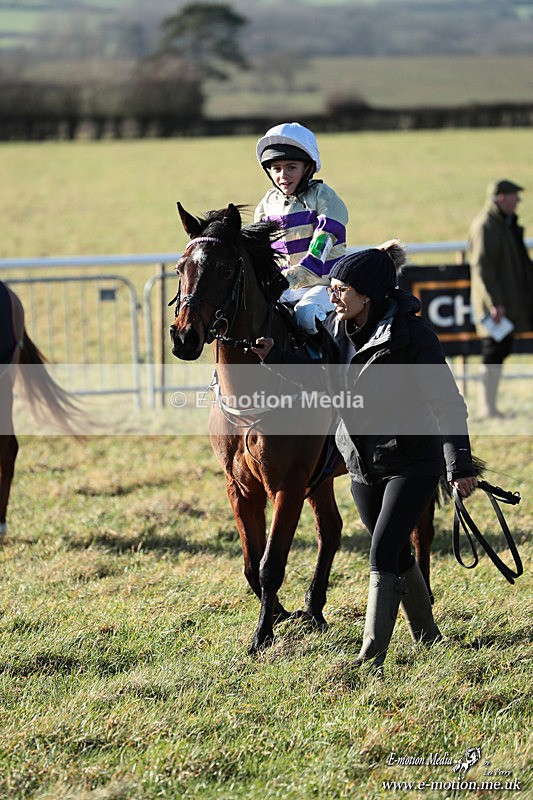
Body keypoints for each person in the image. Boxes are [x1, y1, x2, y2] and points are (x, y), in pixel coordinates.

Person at [252, 242, 477, 673]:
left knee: (381, 551)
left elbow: (448, 401)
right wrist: (277, 357)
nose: (332, 296)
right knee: (395, 553)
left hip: (413, 461)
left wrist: (459, 464)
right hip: (360, 463)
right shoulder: (337, 331)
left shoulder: (413, 337)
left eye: (340, 289)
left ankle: (369, 657)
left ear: (367, 295)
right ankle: (429, 637)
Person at [255, 122, 349, 334]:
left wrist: (284, 280)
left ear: (309, 167)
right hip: (285, 286)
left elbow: (318, 254)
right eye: (276, 168)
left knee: (306, 316)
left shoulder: (324, 198)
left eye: (291, 167)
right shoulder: (266, 204)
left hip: (325, 286)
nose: (283, 175)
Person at [468, 179, 533, 418]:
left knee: (499, 350)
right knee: (492, 351)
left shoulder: (502, 223)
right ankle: (486, 407)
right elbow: (482, 268)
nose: (519, 200)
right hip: (494, 306)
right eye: (515, 195)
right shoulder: (487, 225)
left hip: (502, 303)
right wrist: (495, 302)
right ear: (502, 197)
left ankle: (490, 406)